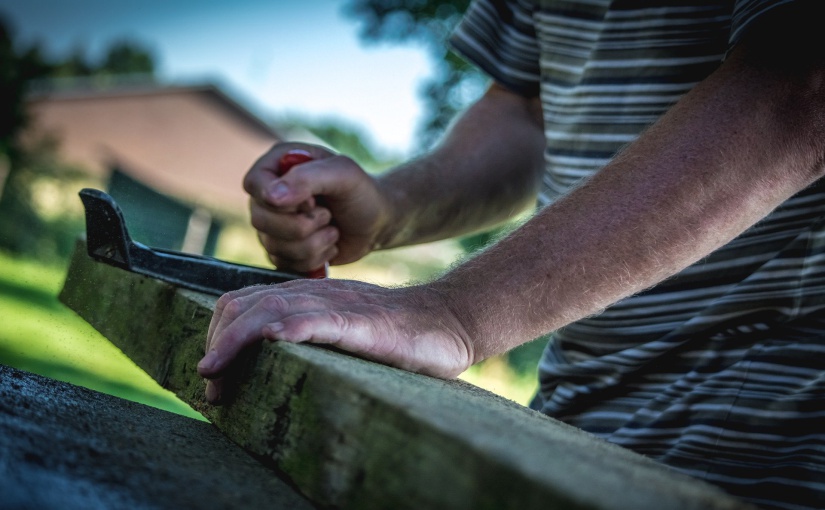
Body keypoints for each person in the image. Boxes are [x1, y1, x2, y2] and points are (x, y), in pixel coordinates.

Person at [198, 1, 825, 508]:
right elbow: (524, 112)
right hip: (565, 425)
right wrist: (391, 208)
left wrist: (452, 312)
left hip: (761, 457)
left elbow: (800, 87)